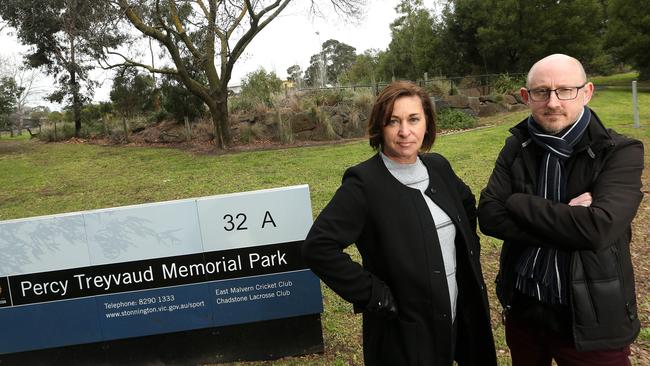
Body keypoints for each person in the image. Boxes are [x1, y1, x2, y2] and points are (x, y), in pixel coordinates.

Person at [302, 81, 497, 366]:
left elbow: (466, 208)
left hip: (460, 317)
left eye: (413, 119)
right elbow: (318, 247)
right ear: (379, 127)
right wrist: (375, 295)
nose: (405, 132)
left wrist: (470, 255)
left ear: (426, 123)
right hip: (405, 333)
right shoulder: (364, 184)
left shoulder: (439, 167)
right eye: (393, 121)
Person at [478, 54, 644, 365]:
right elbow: (488, 215)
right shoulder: (518, 146)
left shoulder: (619, 152)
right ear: (527, 97)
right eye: (541, 92)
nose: (553, 102)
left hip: (592, 319)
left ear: (587, 91)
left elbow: (598, 229)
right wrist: (567, 218)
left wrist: (516, 202)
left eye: (565, 90)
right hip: (525, 309)